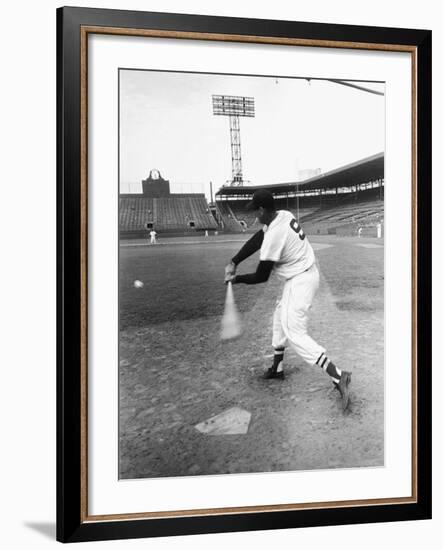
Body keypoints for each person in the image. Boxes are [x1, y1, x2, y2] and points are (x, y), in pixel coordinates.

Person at [224, 189, 352, 410]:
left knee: (295, 332)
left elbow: (261, 276)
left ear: (263, 210)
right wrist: (235, 260)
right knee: (278, 318)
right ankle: (278, 368)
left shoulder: (275, 234)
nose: (255, 217)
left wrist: (235, 280)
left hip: (300, 281)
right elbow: (258, 238)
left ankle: (338, 375)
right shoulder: (283, 214)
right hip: (301, 276)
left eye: (256, 212)